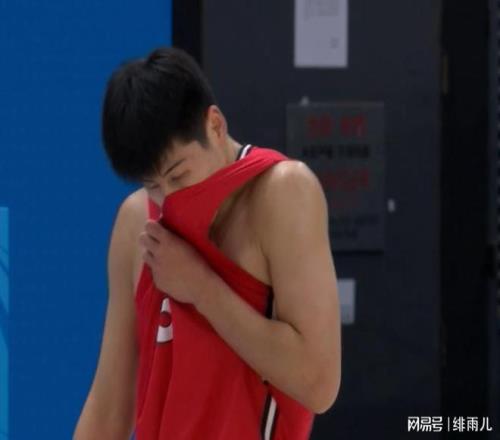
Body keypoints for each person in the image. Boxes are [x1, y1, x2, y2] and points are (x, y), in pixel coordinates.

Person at [73, 47, 341, 440]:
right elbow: (110, 407)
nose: (168, 197)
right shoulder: (137, 219)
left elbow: (318, 383)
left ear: (215, 125)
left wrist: (201, 288)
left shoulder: (283, 193)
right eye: (152, 185)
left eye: (178, 175)